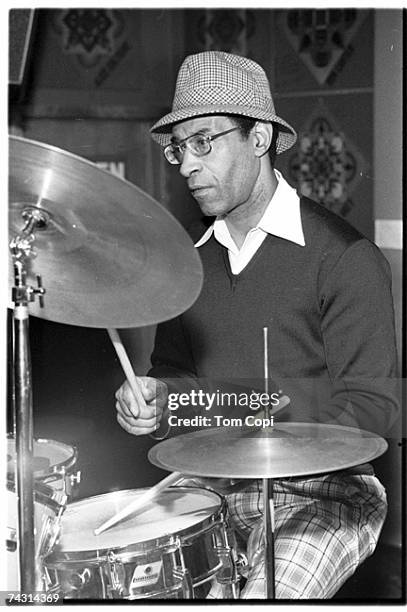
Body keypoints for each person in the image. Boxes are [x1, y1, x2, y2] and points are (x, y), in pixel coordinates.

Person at [115, 51, 399, 599]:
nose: (187, 165)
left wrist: (246, 413)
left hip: (326, 493)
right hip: (212, 481)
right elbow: (175, 375)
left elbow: (375, 406)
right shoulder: (188, 263)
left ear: (261, 138)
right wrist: (156, 402)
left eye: (204, 142)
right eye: (179, 148)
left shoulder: (344, 257)